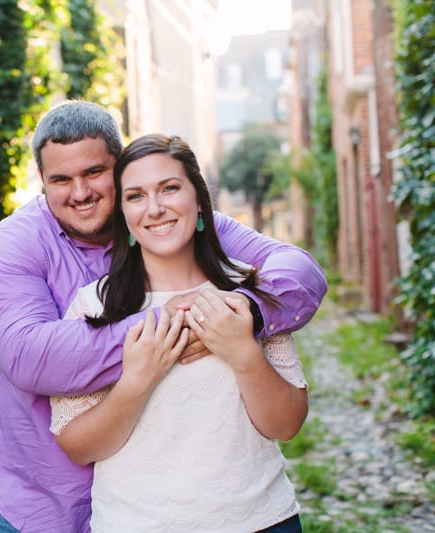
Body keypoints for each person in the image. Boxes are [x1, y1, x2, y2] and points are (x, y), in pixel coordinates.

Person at [0, 100, 326, 532]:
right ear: (42, 183)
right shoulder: (13, 246)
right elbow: (30, 357)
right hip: (40, 501)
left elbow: (299, 272)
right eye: (61, 180)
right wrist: (164, 330)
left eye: (94, 173)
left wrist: (249, 314)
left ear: (119, 168)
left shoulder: (174, 223)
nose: (80, 192)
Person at [50, 133, 308, 532]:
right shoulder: (94, 306)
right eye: (135, 196)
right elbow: (78, 446)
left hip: (260, 521)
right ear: (124, 215)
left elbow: (286, 425)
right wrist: (137, 380)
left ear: (199, 201)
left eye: (169, 188)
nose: (155, 209)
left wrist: (244, 353)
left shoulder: (249, 292)